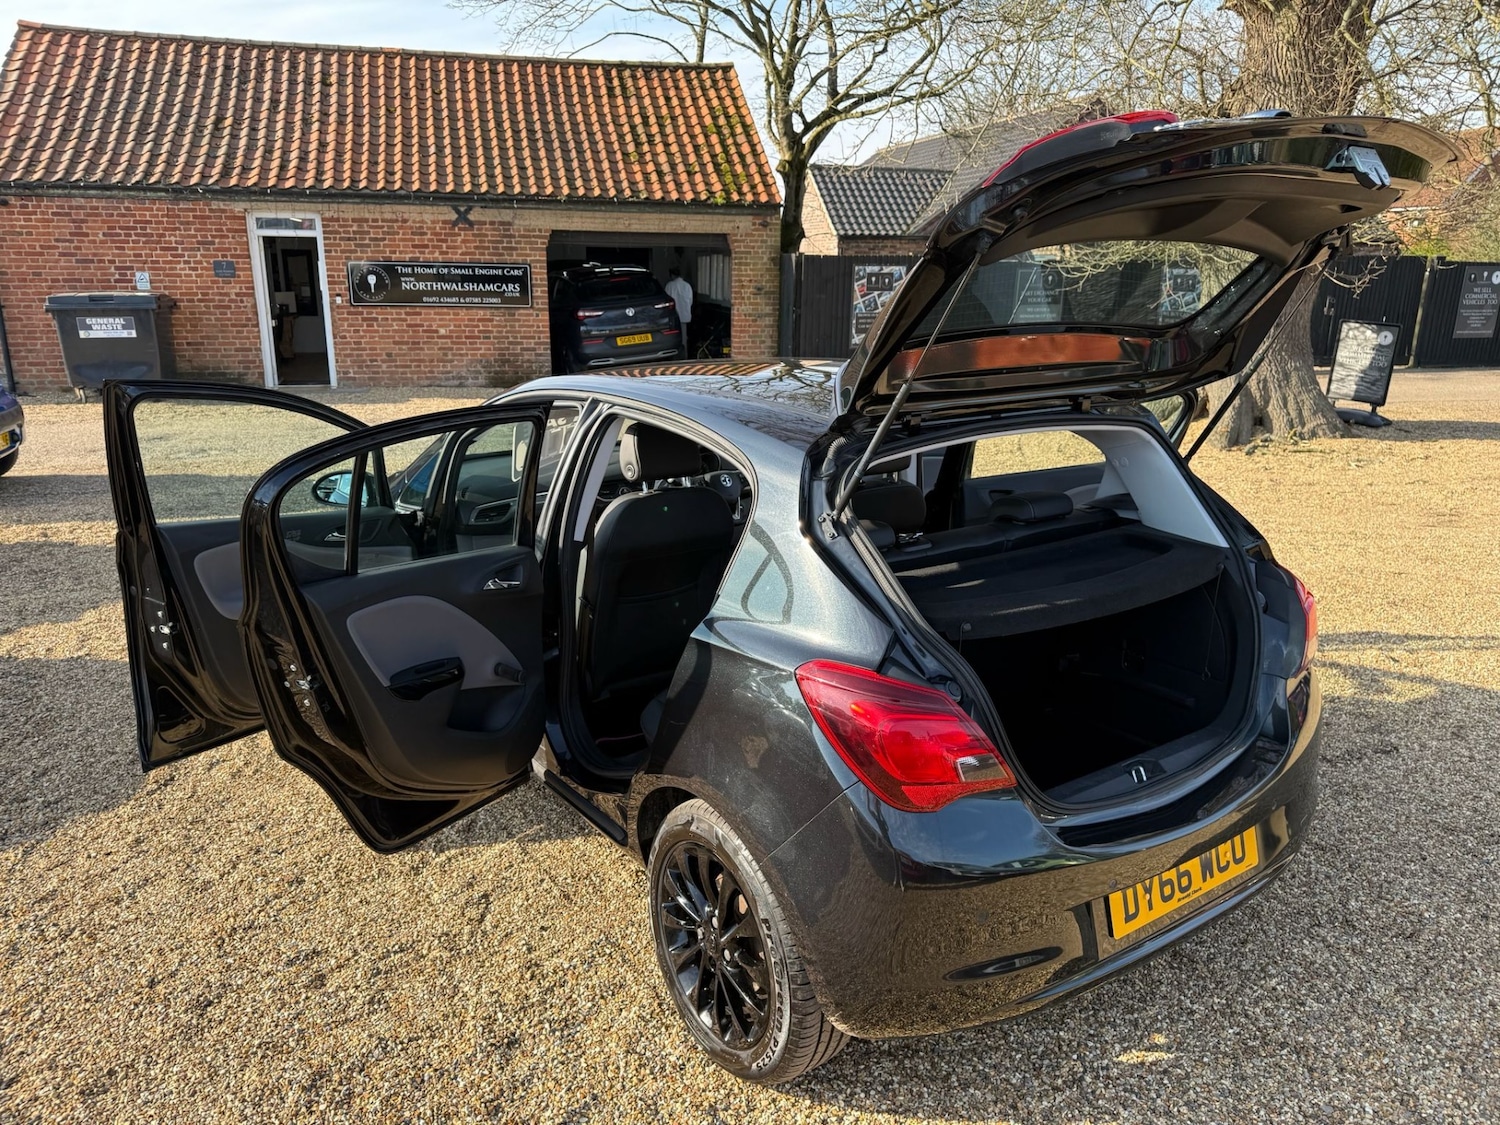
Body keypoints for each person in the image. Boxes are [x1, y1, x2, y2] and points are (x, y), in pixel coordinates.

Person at [665, 267, 693, 335]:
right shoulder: (687, 285)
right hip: (684, 314)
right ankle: (684, 345)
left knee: (674, 335)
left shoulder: (669, 285)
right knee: (683, 334)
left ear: (672, 275)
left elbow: (666, 300)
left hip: (673, 315)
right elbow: (690, 300)